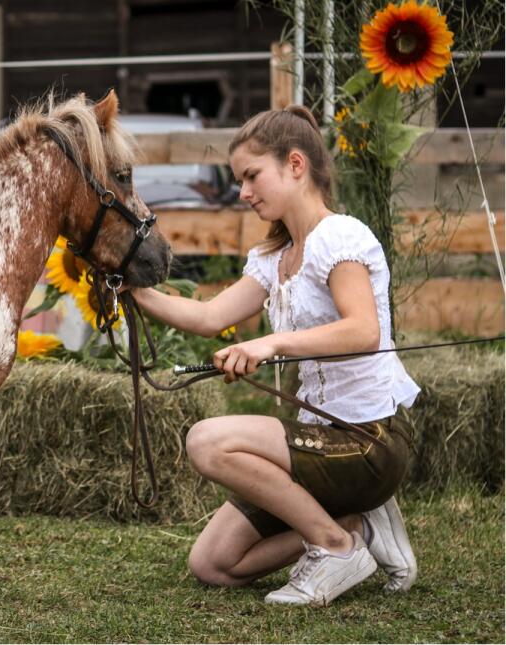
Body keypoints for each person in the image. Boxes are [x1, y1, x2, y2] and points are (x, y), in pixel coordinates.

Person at [130, 106, 420, 606]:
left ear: (295, 165)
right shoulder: (272, 257)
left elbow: (363, 330)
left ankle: (334, 546)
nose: (243, 192)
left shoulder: (340, 236)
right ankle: (356, 526)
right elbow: (208, 316)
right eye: (239, 179)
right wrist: (129, 291)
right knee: (214, 564)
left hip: (369, 440)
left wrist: (269, 343)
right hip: (322, 437)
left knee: (207, 441)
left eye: (251, 176)